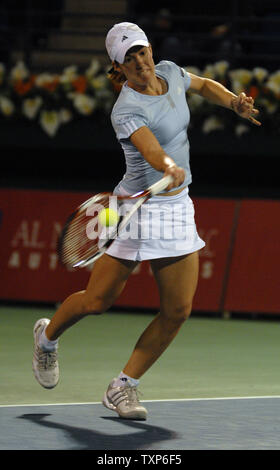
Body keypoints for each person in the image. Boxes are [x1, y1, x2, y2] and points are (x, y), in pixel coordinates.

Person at [32, 22, 261, 421]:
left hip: (175, 207)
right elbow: (151, 150)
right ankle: (46, 338)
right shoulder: (126, 109)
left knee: (178, 310)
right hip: (129, 209)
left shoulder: (170, 71)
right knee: (97, 300)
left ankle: (123, 387)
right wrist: (169, 165)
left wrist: (232, 103)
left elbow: (204, 85)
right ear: (118, 68)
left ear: (150, 49)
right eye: (129, 58)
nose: (140, 62)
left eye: (142, 51)